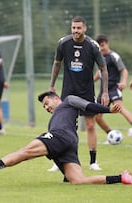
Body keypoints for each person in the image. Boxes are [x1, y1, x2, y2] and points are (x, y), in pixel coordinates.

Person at [0, 91, 132, 186]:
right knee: (77, 180)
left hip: (61, 136)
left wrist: (108, 110)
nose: (47, 107)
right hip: (69, 143)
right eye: (44, 106)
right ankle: (121, 178)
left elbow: (87, 105)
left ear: (56, 98)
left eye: (47, 103)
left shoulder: (68, 101)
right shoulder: (56, 118)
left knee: (25, 151)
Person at [48, 16, 109, 171]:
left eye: (78, 28)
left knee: (89, 124)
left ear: (85, 28)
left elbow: (103, 69)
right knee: (65, 126)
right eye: (73, 28)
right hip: (68, 91)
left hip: (86, 91)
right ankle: (61, 161)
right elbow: (57, 64)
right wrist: (52, 85)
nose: (76, 31)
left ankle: (93, 162)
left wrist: (105, 92)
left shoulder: (93, 46)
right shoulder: (63, 43)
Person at [93, 34, 132, 137]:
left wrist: (124, 82)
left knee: (120, 107)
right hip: (103, 91)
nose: (102, 48)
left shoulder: (114, 56)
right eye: (100, 46)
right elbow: (99, 73)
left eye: (103, 45)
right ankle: (111, 135)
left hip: (114, 88)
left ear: (107, 44)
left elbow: (124, 70)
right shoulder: (100, 58)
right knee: (97, 117)